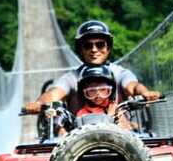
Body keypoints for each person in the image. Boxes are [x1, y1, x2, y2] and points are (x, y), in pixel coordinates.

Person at [23, 19, 161, 115]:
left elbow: (133, 86)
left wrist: (145, 93)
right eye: (88, 45)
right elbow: (54, 93)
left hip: (118, 132)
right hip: (79, 137)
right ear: (81, 50)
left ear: (108, 48)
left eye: (100, 44)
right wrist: (39, 103)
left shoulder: (120, 73)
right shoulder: (72, 78)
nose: (94, 50)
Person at [74, 64, 132, 129]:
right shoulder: (82, 113)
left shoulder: (115, 107)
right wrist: (110, 116)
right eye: (92, 91)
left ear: (111, 91)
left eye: (103, 89)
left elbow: (126, 130)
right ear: (84, 93)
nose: (98, 95)